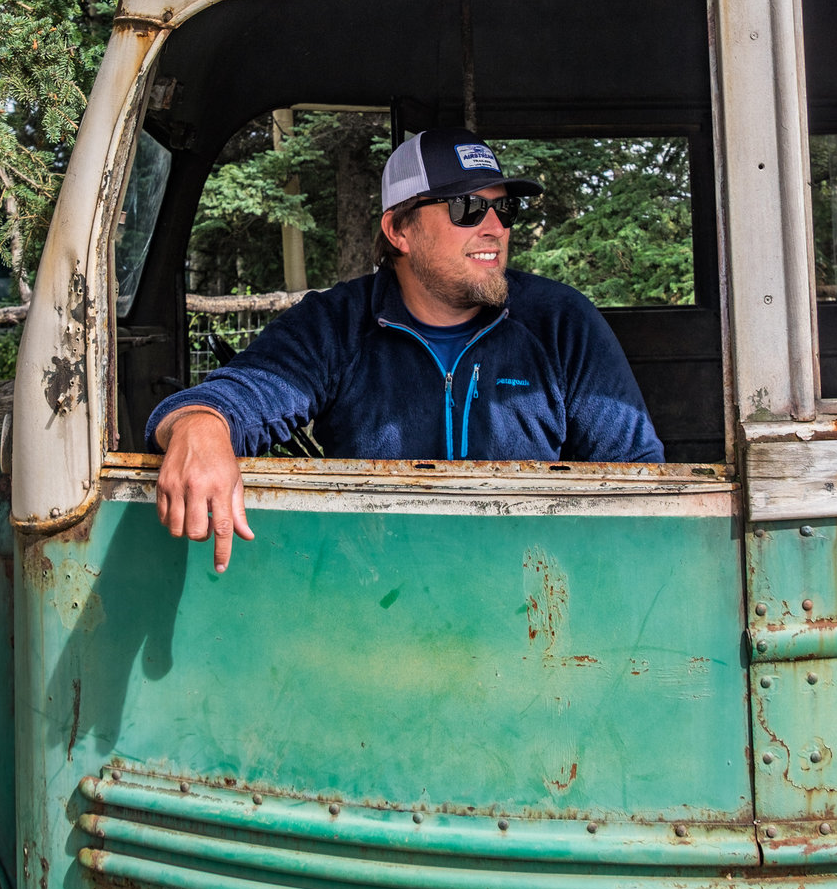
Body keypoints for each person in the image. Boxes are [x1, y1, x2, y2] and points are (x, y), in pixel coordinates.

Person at [150, 128, 664, 572]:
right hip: (379, 598)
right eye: (467, 208)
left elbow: (639, 478)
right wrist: (201, 422)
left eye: (504, 207)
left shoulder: (560, 322)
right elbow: (248, 394)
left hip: (533, 606)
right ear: (399, 230)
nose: (495, 228)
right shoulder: (337, 325)